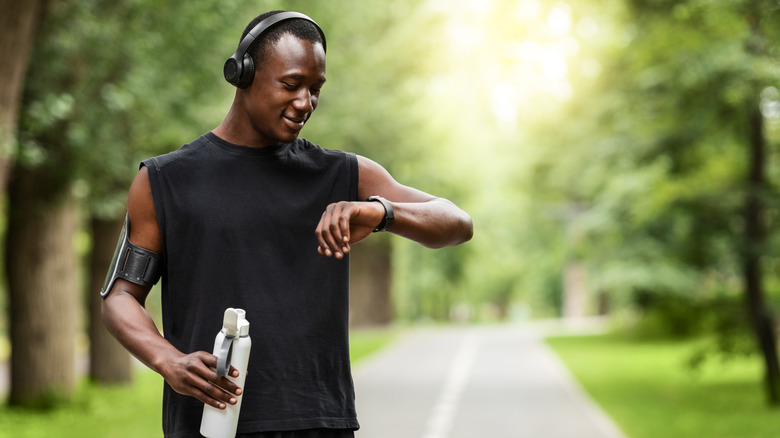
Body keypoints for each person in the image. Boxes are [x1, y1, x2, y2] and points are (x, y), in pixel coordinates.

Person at [101, 10, 473, 438]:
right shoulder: (165, 181)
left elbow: (456, 222)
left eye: (316, 89)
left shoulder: (344, 175)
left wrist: (382, 212)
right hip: (209, 424)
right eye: (291, 84)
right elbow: (120, 296)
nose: (305, 103)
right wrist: (167, 360)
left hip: (319, 423)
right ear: (242, 74)